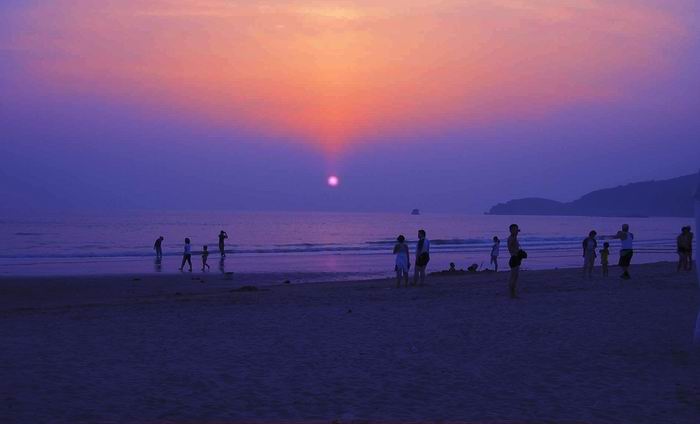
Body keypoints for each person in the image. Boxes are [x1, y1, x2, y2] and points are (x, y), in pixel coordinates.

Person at [507, 224, 523, 299]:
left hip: (516, 258)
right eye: (514, 229)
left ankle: (512, 293)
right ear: (510, 230)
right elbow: (510, 246)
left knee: (514, 277)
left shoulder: (514, 237)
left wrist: (516, 233)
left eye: (516, 229)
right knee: (514, 278)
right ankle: (512, 294)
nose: (516, 231)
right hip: (514, 259)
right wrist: (515, 235)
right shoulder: (511, 238)